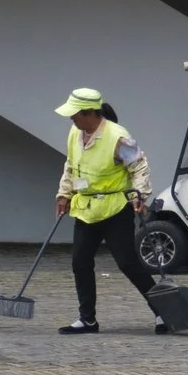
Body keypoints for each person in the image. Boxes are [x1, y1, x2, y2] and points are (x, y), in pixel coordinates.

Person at [53, 87, 162, 335]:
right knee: (80, 262)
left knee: (127, 263)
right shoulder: (75, 133)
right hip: (86, 208)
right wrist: (64, 194)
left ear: (90, 113)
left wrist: (139, 195)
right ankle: (87, 320)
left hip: (115, 208)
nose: (72, 119)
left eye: (75, 114)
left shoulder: (117, 137)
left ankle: (162, 311)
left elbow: (139, 166)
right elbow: (71, 165)